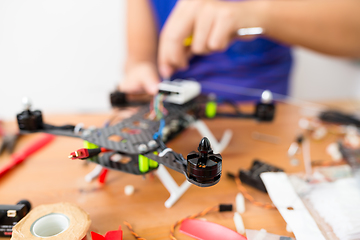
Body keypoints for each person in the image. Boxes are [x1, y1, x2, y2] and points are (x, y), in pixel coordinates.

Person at [120, 0, 360, 100]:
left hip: (266, 123)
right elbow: (140, 59)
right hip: (180, 128)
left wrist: (256, 15)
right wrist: (141, 73)